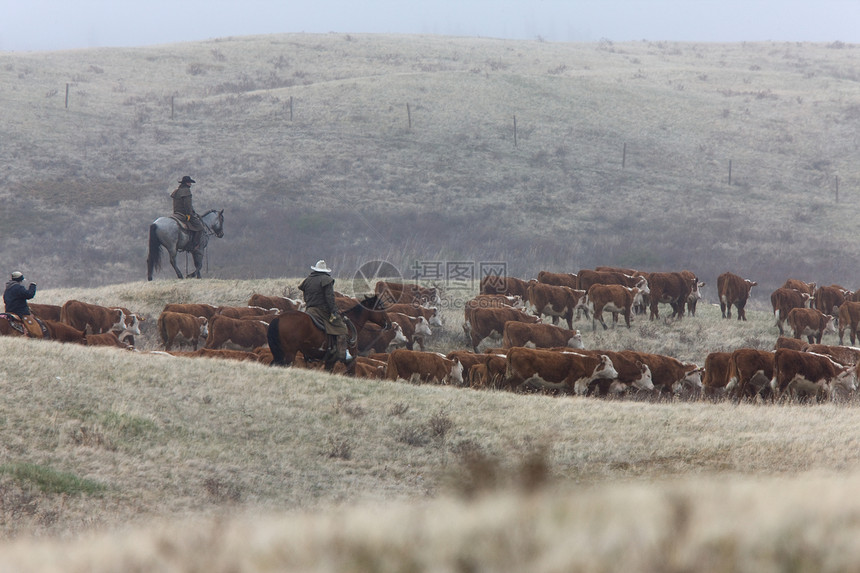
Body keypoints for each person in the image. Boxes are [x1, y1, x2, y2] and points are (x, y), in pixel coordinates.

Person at [298, 260, 351, 367]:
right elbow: (329, 298)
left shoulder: (308, 280)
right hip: (321, 310)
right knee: (341, 327)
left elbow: (305, 296)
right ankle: (343, 353)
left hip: (309, 309)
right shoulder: (326, 280)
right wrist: (334, 311)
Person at [3, 271, 41, 337]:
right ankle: (34, 336)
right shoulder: (19, 288)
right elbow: (29, 295)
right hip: (20, 312)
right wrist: (33, 286)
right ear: (20, 280)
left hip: (9, 311)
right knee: (34, 327)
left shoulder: (7, 289)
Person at [171, 175, 204, 251]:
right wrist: (189, 214)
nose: (190, 184)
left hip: (176, 213)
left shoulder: (177, 191)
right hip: (184, 214)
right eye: (189, 182)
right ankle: (193, 245)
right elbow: (187, 205)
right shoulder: (186, 191)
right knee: (200, 227)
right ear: (186, 183)